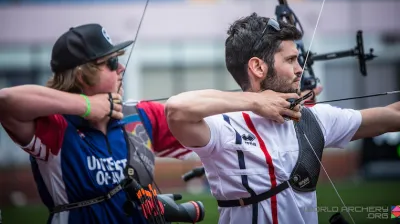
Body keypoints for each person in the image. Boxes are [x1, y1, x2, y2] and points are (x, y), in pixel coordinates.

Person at [165, 13, 400, 224]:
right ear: (258, 67)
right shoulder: (223, 127)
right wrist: (256, 102)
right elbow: (176, 108)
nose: (300, 69)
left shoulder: (312, 119)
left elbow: (391, 116)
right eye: (290, 60)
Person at [0, 24, 198, 224]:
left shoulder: (138, 116)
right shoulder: (57, 127)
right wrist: (87, 106)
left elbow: (207, 128)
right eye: (112, 62)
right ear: (82, 75)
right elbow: (5, 101)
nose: (122, 68)